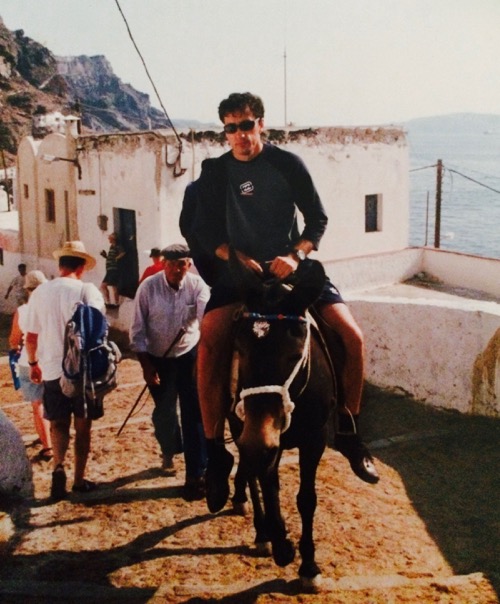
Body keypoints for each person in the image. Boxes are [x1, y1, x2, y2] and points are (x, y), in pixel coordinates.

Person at [181, 91, 379, 513]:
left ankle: (348, 430)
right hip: (241, 277)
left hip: (292, 269)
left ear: (261, 125)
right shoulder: (216, 173)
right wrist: (235, 259)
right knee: (210, 344)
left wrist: (296, 254)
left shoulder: (287, 164)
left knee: (352, 336)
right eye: (231, 128)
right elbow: (203, 233)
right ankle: (215, 451)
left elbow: (317, 220)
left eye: (246, 125)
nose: (239, 135)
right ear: (225, 132)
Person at [24, 241, 105, 501]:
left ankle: (58, 467)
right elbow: (99, 330)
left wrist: (33, 363)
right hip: (82, 370)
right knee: (83, 427)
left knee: (58, 423)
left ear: (60, 266)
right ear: (81, 267)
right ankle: (79, 480)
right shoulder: (86, 290)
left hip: (51, 369)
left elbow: (31, 336)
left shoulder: (40, 293)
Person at [129, 244, 210, 501]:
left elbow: (205, 318)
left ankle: (196, 474)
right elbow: (137, 332)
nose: (177, 269)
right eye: (172, 263)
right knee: (164, 413)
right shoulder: (148, 288)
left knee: (193, 413)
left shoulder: (197, 286)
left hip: (188, 356)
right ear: (163, 264)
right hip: (157, 358)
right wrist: (146, 366)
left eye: (183, 263)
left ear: (189, 264)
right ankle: (169, 448)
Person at [8, 270, 52, 461]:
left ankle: (48, 446)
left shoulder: (23, 311)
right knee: (54, 402)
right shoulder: (53, 309)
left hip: (30, 360)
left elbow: (14, 340)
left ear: (28, 290)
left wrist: (16, 347)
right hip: (52, 360)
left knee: (38, 404)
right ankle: (52, 437)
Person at [99, 232, 125, 307]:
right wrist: (105, 256)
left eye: (110, 238)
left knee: (114, 286)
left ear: (113, 238)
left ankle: (116, 303)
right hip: (109, 269)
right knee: (104, 286)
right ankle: (108, 302)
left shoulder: (117, 246)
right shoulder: (111, 247)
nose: (109, 239)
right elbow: (110, 258)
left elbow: (123, 253)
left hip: (113, 269)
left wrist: (117, 258)